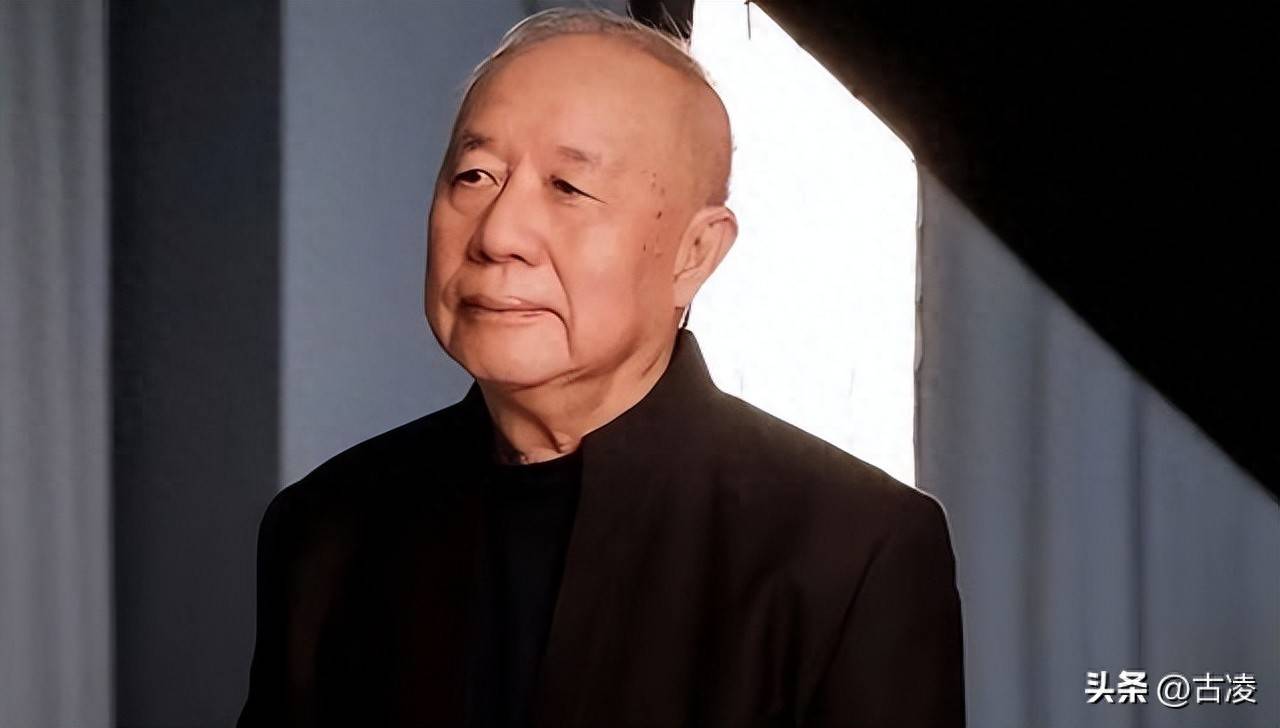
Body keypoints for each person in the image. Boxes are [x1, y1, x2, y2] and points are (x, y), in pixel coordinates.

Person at [238, 8, 964, 727]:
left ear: (695, 254)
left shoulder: (853, 552)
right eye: (475, 175)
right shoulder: (327, 528)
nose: (499, 234)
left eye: (568, 188)